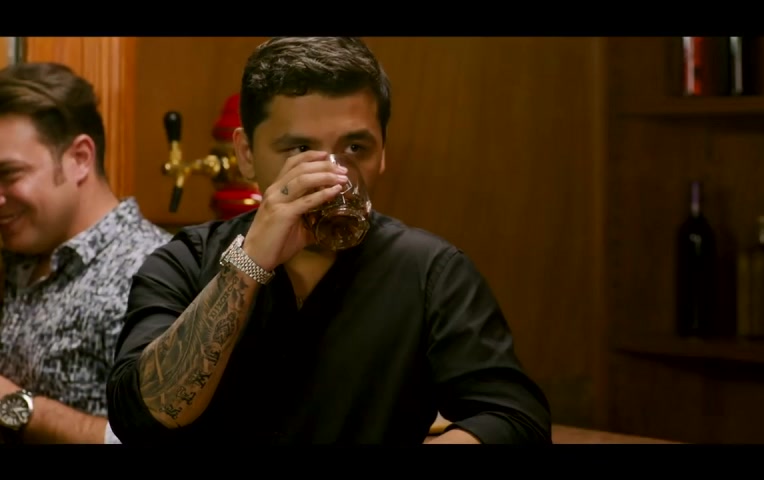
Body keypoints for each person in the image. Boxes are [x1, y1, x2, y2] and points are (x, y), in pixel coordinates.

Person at [106, 37, 552, 445]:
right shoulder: (185, 260)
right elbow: (141, 417)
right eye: (300, 150)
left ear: (383, 153)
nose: (332, 173)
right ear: (246, 154)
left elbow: (516, 419)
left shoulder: (430, 271)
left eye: (355, 148)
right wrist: (250, 262)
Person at [0, 62, 173, 444]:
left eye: (9, 174)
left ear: (79, 158)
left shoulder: (152, 272)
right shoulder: (18, 255)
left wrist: (13, 406)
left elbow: (156, 439)